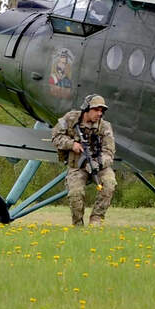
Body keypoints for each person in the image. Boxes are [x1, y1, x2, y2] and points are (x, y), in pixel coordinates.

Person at [51, 94, 117, 226]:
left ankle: (96, 219)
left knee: (109, 183)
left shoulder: (105, 126)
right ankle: (78, 225)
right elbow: (55, 136)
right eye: (96, 110)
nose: (100, 113)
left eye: (102, 111)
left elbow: (109, 152)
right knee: (75, 193)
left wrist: (98, 163)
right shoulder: (70, 119)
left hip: (99, 166)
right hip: (77, 166)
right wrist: (72, 144)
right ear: (86, 108)